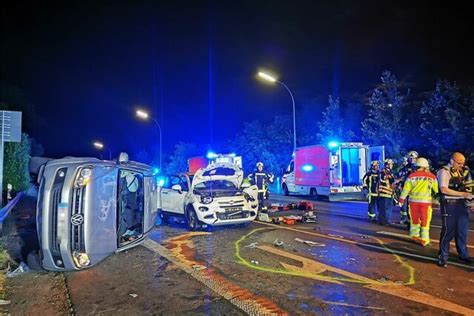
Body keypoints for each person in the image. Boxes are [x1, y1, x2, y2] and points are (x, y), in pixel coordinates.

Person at [437, 152, 474, 267]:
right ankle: (443, 257)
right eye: (459, 163)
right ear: (452, 161)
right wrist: (463, 194)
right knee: (448, 231)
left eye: (463, 163)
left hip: (461, 204)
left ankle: (463, 254)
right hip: (449, 204)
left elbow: (467, 188)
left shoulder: (461, 171)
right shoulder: (444, 171)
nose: (462, 166)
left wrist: (470, 202)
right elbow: (444, 190)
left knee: (462, 232)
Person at [398, 158, 438, 246]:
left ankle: (414, 236)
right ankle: (424, 239)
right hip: (425, 203)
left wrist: (401, 199)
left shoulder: (411, 176)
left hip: (413, 202)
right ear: (425, 167)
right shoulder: (432, 177)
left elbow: (405, 190)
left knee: (414, 220)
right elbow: (436, 190)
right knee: (425, 221)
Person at [397, 151, 419, 225]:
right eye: (410, 158)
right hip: (406, 190)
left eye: (413, 158)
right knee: (404, 206)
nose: (412, 160)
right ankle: (405, 218)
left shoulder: (419, 168)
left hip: (415, 191)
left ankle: (414, 221)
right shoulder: (404, 169)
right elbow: (400, 178)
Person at [378, 159, 395, 225]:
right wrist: (391, 178)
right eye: (391, 164)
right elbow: (382, 180)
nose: (392, 165)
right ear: (387, 164)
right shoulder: (383, 172)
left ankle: (385, 220)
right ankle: (384, 220)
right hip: (384, 193)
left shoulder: (390, 172)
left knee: (388, 208)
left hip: (389, 193)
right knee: (384, 208)